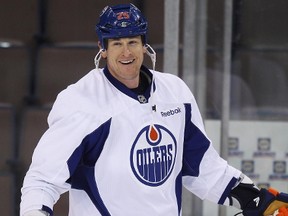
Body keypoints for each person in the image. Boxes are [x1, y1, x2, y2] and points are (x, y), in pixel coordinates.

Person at [20, 3, 288, 216]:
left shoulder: (175, 92)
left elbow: (202, 167)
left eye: (132, 42)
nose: (126, 52)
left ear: (144, 44)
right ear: (102, 49)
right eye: (116, 43)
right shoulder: (81, 102)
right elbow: (43, 180)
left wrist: (251, 195)